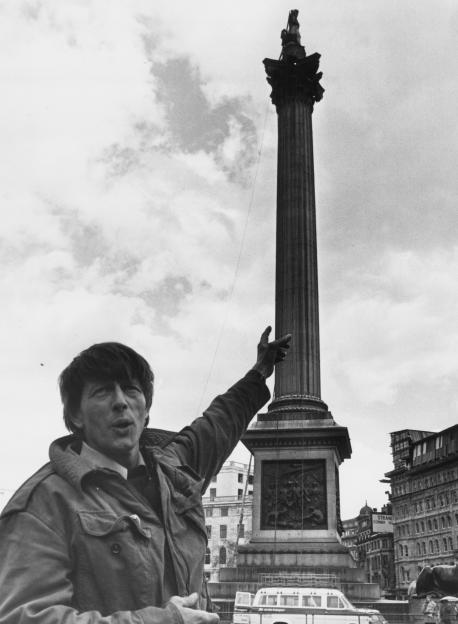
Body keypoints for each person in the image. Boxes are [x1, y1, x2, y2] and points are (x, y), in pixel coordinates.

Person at [0, 326, 291, 624]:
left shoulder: (176, 470)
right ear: (75, 415)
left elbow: (220, 421)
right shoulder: (43, 503)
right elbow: (25, 617)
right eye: (102, 391)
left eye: (131, 390)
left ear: (146, 409)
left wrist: (259, 373)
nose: (120, 401)